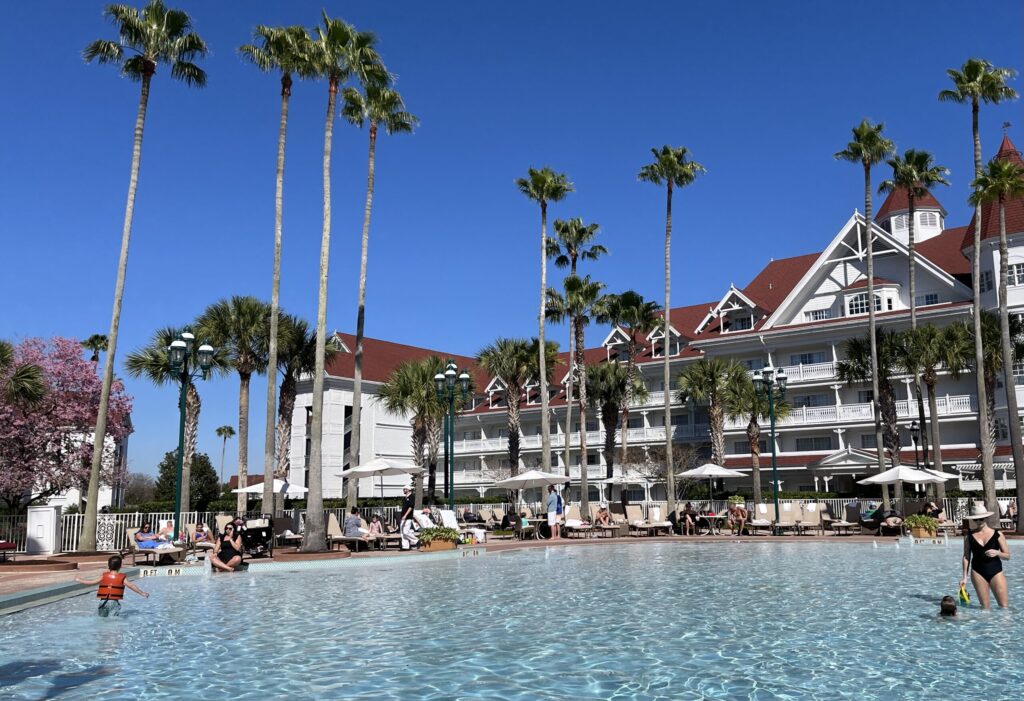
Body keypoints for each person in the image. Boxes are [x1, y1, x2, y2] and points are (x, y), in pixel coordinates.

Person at [960, 503, 1011, 609]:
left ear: (986, 518)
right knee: (985, 608)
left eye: (981, 518)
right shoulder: (968, 536)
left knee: (1004, 607)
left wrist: (998, 553)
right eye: (976, 519)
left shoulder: (998, 534)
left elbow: (1007, 556)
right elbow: (966, 556)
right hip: (977, 572)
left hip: (996, 571)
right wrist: (964, 577)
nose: (978, 522)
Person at [75, 555, 148, 617]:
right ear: (120, 566)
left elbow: (92, 582)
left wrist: (80, 580)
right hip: (113, 602)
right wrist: (142, 593)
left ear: (108, 566)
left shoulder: (104, 575)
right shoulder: (122, 577)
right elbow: (131, 586)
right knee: (113, 621)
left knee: (102, 620)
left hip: (103, 602)